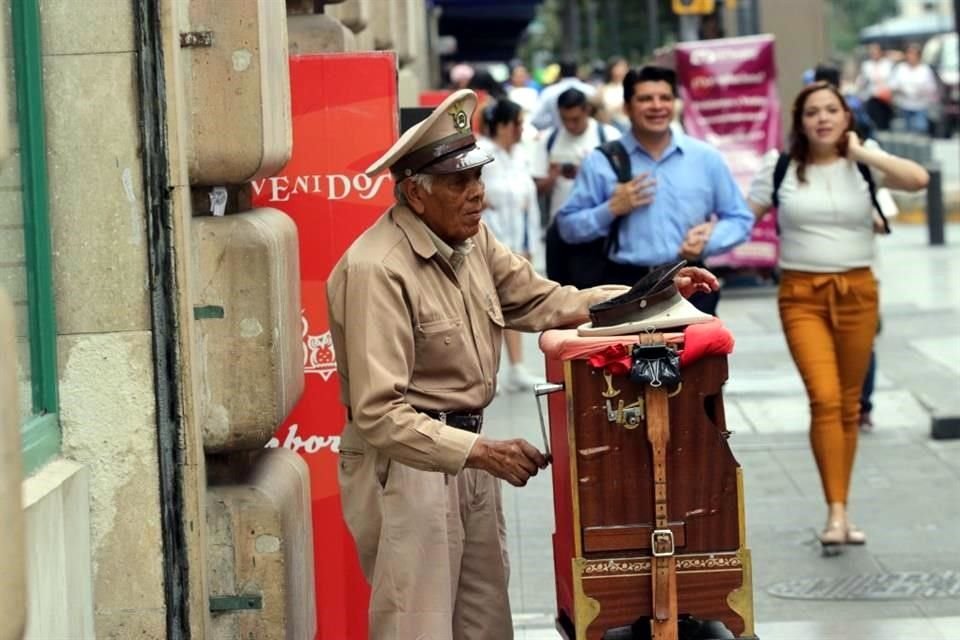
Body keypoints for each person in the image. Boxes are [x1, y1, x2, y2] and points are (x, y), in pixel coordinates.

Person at [327, 89, 720, 640]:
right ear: (415, 194)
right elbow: (380, 414)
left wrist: (650, 294)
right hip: (408, 467)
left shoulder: (470, 240)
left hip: (468, 456)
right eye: (459, 184)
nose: (477, 196)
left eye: (478, 178)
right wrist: (483, 452)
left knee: (485, 624)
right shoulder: (378, 270)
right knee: (418, 627)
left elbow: (545, 301)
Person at [747, 81, 928, 548]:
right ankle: (834, 513)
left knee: (849, 405)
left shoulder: (865, 165)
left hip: (858, 291)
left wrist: (862, 153)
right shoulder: (781, 166)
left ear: (846, 117)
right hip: (802, 294)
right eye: (813, 112)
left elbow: (918, 180)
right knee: (825, 399)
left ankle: (842, 510)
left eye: (832, 110)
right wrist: (705, 235)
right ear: (800, 122)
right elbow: (742, 215)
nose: (822, 119)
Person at [555, 65, 755, 316]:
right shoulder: (602, 161)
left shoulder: (705, 158)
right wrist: (610, 209)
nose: (657, 106)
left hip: (690, 283)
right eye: (645, 99)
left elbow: (740, 218)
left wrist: (709, 240)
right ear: (627, 107)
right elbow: (567, 227)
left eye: (665, 98)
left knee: (696, 356)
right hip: (625, 288)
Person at [477, 99, 543, 392]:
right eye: (517, 123)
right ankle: (485, 371)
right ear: (503, 125)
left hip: (517, 240)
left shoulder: (520, 155)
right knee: (484, 307)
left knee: (511, 302)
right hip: (487, 239)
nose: (520, 129)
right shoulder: (481, 153)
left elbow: (527, 202)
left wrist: (528, 244)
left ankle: (516, 367)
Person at [529, 58, 596, 131]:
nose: (570, 125)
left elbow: (536, 120)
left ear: (559, 73)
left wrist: (555, 123)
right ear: (577, 72)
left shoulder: (549, 92)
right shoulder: (591, 91)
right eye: (565, 119)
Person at [889, 43, 940, 135]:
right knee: (907, 133)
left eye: (913, 54)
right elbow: (893, 84)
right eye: (909, 54)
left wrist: (920, 90)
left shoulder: (925, 70)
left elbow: (932, 88)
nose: (911, 57)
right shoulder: (901, 68)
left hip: (921, 105)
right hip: (904, 104)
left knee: (920, 129)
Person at [857, 43, 894, 131]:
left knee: (884, 124)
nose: (873, 53)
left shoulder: (888, 64)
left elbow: (893, 81)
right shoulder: (866, 65)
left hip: (885, 100)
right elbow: (862, 81)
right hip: (871, 98)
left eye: (876, 51)